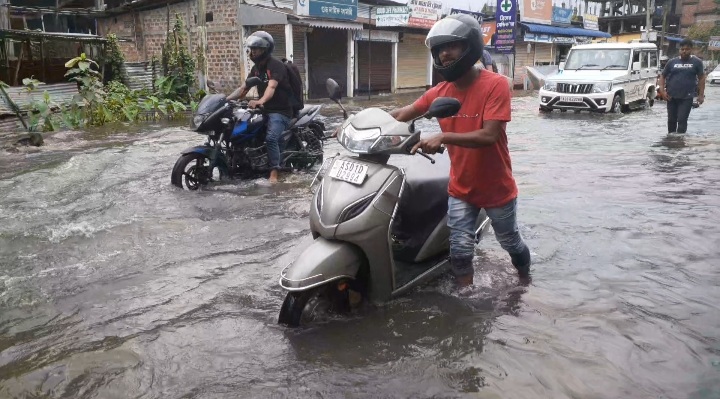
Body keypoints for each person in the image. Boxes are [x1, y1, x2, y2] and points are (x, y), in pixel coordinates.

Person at [389, 14, 532, 287]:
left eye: (451, 46)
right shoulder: (439, 92)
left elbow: (489, 135)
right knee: (460, 251)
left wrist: (443, 136)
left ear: (471, 46)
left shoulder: (496, 84)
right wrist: (361, 123)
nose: (444, 54)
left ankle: (525, 282)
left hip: (496, 188)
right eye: (439, 49)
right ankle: (466, 302)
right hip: (461, 188)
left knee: (511, 242)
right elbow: (403, 113)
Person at [227, 30, 293, 183]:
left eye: (257, 49)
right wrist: (225, 99)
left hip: (280, 111)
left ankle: (274, 173)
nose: (253, 52)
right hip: (264, 109)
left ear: (265, 49)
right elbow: (244, 88)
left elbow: (271, 88)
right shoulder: (256, 68)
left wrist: (260, 101)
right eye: (252, 49)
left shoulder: (276, 66)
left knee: (271, 138)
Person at [658, 39, 706, 134]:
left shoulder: (697, 62)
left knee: (682, 120)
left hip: (686, 97)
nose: (684, 51)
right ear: (679, 50)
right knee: (671, 120)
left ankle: (680, 142)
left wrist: (701, 95)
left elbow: (702, 78)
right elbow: (662, 76)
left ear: (691, 49)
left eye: (687, 49)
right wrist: (662, 91)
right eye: (682, 49)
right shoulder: (671, 62)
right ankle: (671, 141)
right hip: (671, 97)